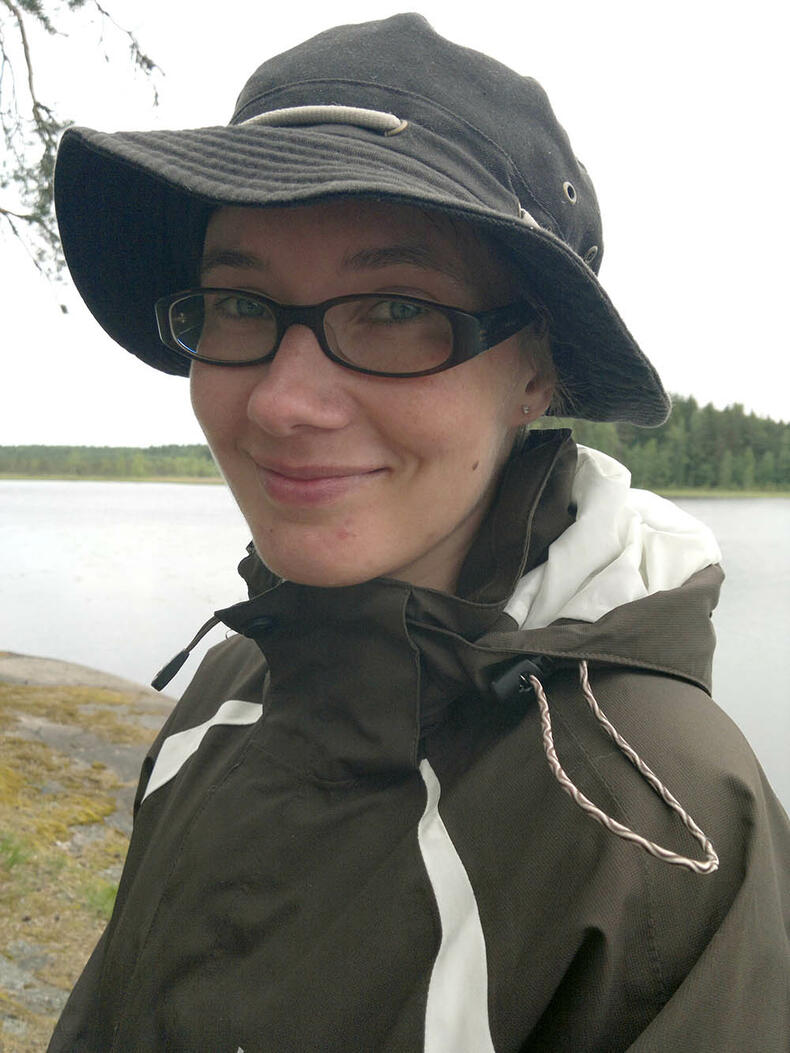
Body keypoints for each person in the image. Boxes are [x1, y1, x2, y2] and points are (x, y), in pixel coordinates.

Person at [49, 14, 789, 1052]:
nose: (282, 402)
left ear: (536, 373)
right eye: (239, 302)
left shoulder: (657, 822)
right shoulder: (228, 690)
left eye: (395, 308)